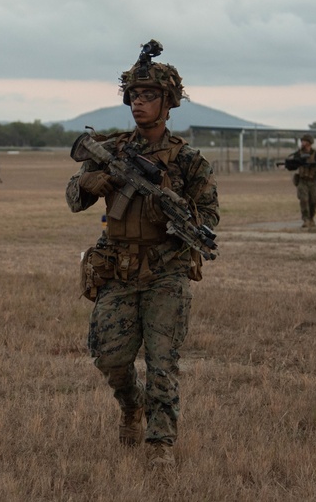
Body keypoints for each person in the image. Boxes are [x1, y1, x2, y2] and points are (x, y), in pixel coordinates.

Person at [65, 40, 219, 469]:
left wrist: (173, 209)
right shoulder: (112, 150)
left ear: (168, 103)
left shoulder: (189, 162)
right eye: (133, 95)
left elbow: (209, 216)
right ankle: (130, 406)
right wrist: (90, 184)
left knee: (162, 363)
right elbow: (73, 199)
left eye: (149, 96)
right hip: (116, 268)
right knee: (110, 358)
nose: (139, 103)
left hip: (165, 271)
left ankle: (159, 446)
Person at [288, 133, 316, 231]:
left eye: (305, 141)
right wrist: (294, 162)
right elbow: (291, 166)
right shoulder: (298, 154)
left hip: (314, 181)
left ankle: (311, 218)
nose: (302, 143)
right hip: (302, 181)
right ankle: (306, 220)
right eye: (302, 141)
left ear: (309, 143)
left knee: (314, 201)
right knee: (304, 200)